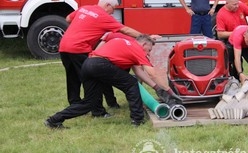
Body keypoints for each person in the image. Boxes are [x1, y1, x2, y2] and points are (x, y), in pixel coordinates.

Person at [44, 34, 182, 129]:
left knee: (89, 103)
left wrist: (156, 88)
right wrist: (168, 91)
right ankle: (137, 119)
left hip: (88, 64)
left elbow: (139, 71)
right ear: (144, 43)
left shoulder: (125, 43)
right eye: (149, 49)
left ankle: (54, 120)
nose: (149, 53)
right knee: (132, 84)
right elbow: (151, 73)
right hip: (100, 65)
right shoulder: (136, 48)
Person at [59, 0, 142, 117]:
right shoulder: (103, 16)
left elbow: (68, 19)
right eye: (113, 9)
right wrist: (145, 37)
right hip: (79, 49)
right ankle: (98, 111)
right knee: (93, 80)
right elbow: (125, 30)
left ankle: (74, 103)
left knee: (72, 77)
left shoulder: (85, 8)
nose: (113, 13)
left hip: (64, 47)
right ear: (107, 5)